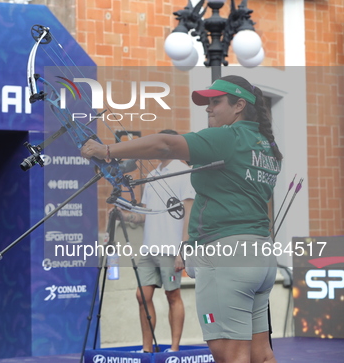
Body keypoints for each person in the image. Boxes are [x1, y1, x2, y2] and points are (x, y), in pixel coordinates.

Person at [81, 75, 281, 363]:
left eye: (216, 102)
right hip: (260, 254)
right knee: (261, 354)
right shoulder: (266, 145)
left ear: (239, 105)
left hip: (226, 256)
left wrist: (105, 150)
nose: (209, 108)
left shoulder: (228, 137)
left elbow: (165, 145)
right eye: (208, 103)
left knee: (230, 356)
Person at [118, 129, 195, 353]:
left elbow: (188, 214)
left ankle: (174, 348)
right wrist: (126, 215)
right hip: (149, 247)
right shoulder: (151, 175)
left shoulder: (184, 172)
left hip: (171, 248)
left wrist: (183, 251)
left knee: (172, 295)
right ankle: (146, 348)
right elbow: (145, 215)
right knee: (142, 296)